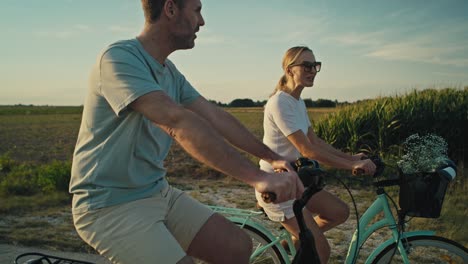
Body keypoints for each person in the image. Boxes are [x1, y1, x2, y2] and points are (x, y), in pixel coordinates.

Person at [69, 1, 304, 263]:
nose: (201, 22)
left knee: (237, 246)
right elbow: (176, 121)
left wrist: (272, 158)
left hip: (157, 192)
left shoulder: (170, 73)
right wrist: (257, 177)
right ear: (170, 9)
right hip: (109, 205)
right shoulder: (119, 58)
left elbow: (215, 116)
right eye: (196, 10)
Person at [255, 46, 377, 263]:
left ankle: (294, 242)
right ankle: (305, 242)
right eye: (307, 65)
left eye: (315, 66)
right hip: (277, 186)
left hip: (296, 181)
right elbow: (307, 150)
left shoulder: (297, 102)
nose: (312, 70)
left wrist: (352, 158)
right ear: (290, 69)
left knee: (339, 212)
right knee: (322, 251)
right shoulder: (280, 102)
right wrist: (349, 167)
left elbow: (315, 141)